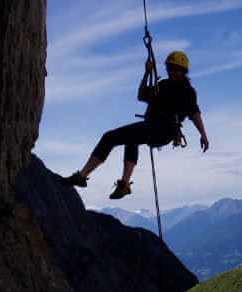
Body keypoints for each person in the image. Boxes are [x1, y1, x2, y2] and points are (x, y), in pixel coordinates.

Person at [61, 51, 209, 199]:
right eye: (170, 68)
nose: (172, 72)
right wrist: (147, 73)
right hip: (154, 127)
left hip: (163, 129)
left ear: (183, 72)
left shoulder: (187, 92)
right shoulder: (163, 85)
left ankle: (83, 176)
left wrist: (203, 134)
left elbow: (194, 113)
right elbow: (142, 96)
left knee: (110, 137)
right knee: (130, 139)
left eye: (176, 69)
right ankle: (123, 185)